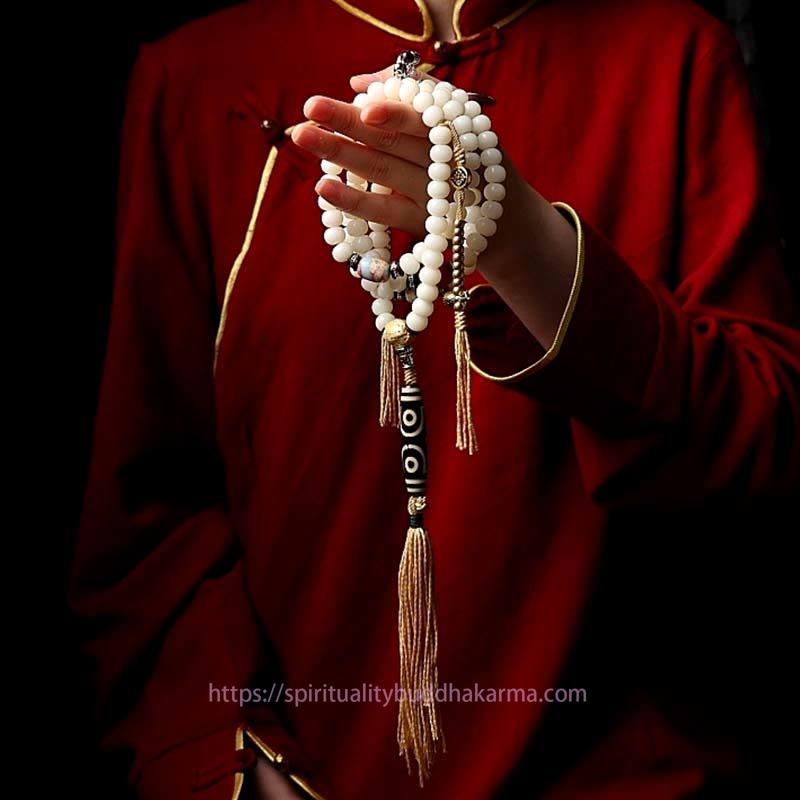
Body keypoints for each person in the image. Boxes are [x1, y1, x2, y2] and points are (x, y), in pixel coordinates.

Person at [72, 0, 800, 798]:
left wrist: (524, 244)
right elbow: (147, 520)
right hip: (309, 765)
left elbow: (762, 448)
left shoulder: (672, 54)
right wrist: (225, 758)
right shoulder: (199, 75)